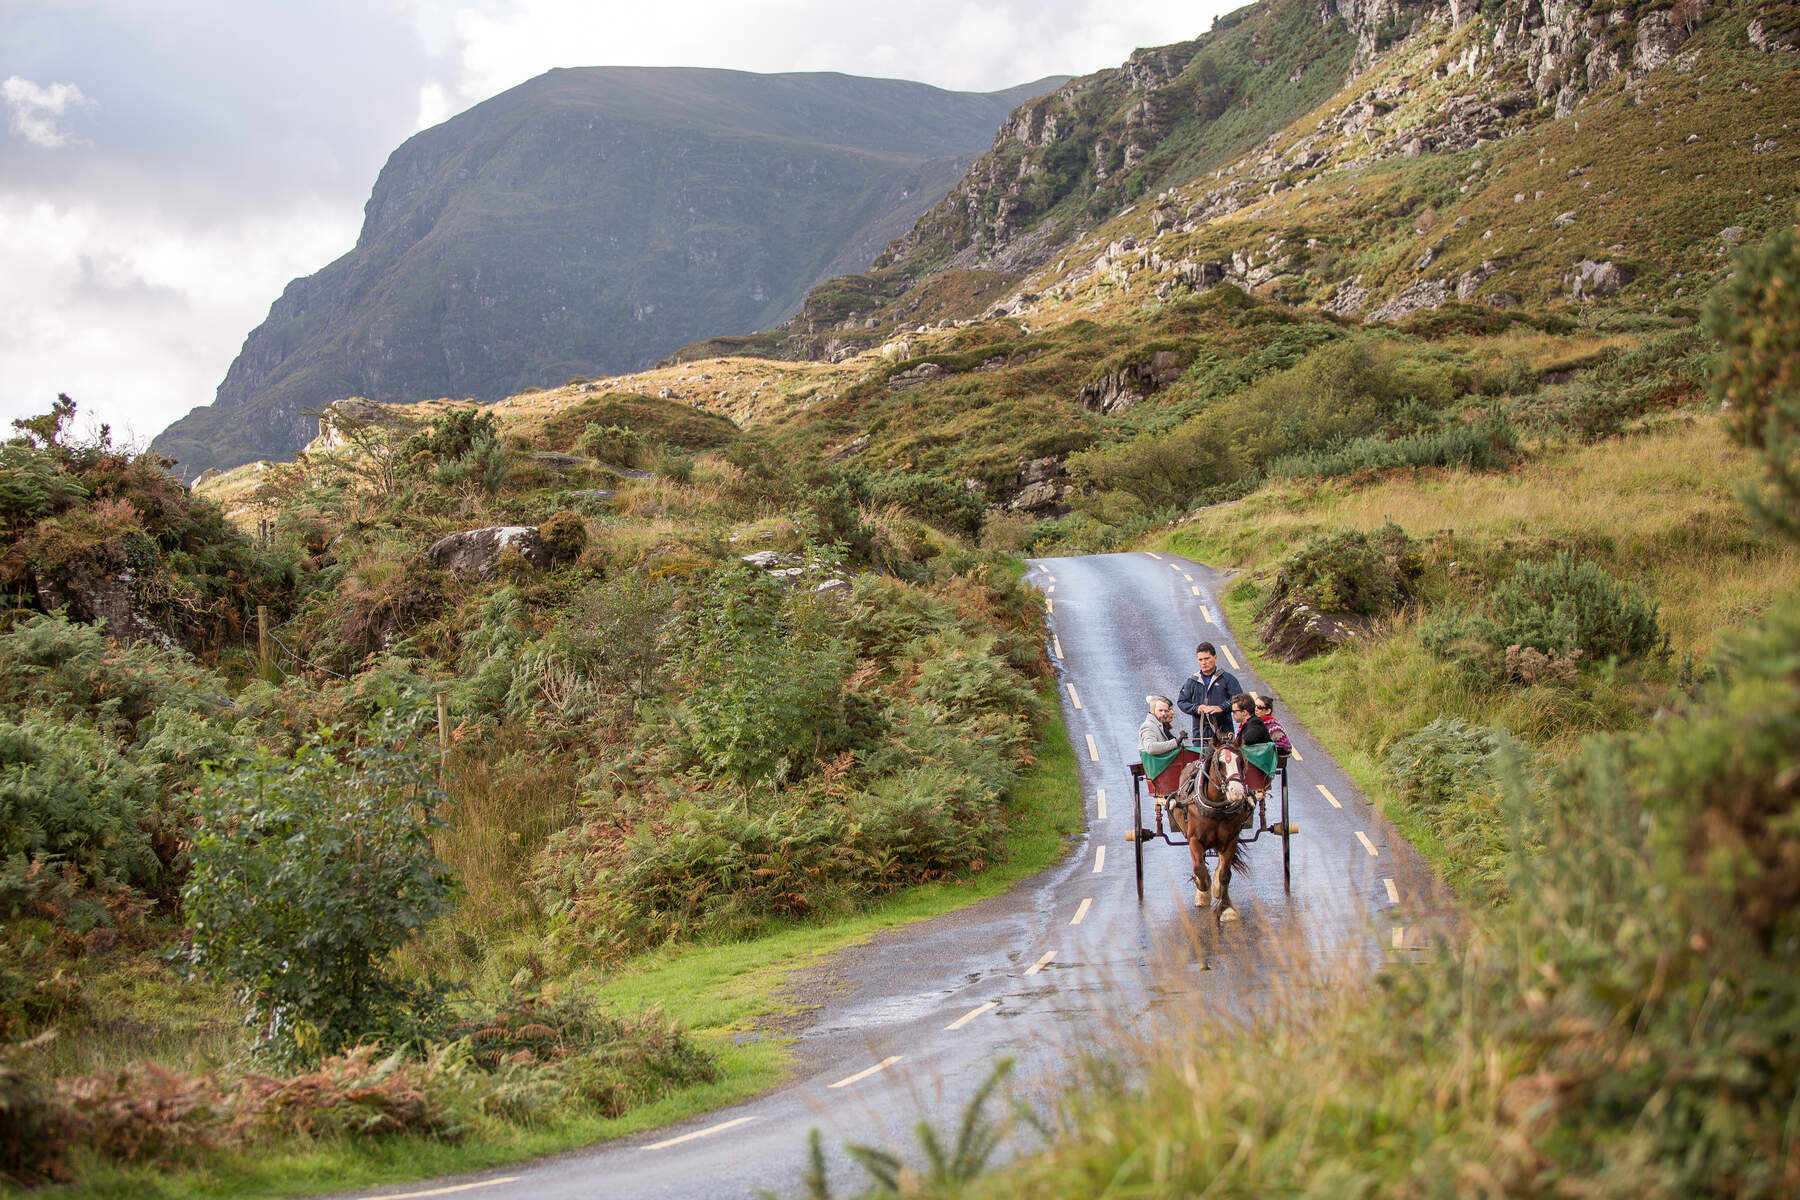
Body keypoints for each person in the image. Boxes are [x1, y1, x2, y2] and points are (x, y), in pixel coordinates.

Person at [1177, 641, 1242, 746]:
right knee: (1202, 762)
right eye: (1200, 659)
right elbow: (1181, 702)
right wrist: (1197, 708)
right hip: (1200, 735)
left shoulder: (1227, 679)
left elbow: (1239, 699)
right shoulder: (1192, 681)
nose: (1204, 662)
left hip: (1224, 734)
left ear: (1215, 657)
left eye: (1207, 658)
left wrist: (1221, 707)